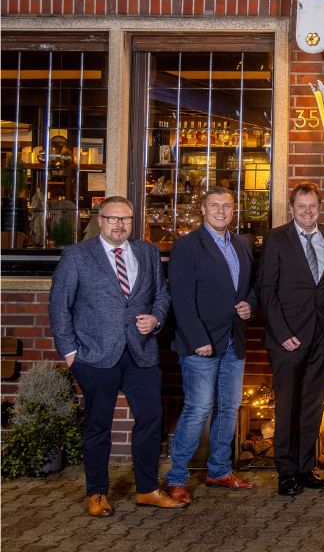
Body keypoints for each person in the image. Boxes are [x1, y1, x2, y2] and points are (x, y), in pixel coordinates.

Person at [49, 195, 182, 516]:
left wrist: (156, 319)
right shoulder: (77, 256)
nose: (120, 224)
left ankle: (148, 489)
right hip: (95, 356)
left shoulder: (148, 252)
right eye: (113, 218)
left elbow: (162, 293)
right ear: (101, 220)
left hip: (141, 352)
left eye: (126, 219)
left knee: (150, 419)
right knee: (98, 426)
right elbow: (59, 306)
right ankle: (96, 493)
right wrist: (70, 354)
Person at [166, 186, 257, 503]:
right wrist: (198, 340)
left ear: (234, 210)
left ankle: (219, 470)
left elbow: (250, 287)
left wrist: (249, 305)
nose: (221, 211)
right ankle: (176, 478)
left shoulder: (242, 244)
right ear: (203, 211)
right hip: (200, 343)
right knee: (199, 408)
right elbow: (181, 299)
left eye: (227, 206)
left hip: (234, 340)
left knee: (229, 407)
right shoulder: (187, 246)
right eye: (215, 205)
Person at [258, 181, 324, 497]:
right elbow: (267, 290)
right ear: (291, 208)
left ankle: (307, 469)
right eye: (302, 206)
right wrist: (283, 333)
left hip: (321, 334)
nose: (308, 212)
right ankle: (286, 473)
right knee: (288, 406)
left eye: (313, 206)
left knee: (312, 406)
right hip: (287, 338)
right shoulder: (277, 239)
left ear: (319, 208)